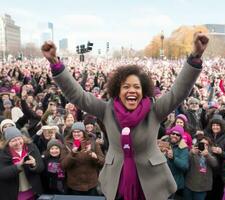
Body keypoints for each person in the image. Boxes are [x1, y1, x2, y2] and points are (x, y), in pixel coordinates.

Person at [42, 32, 209, 200]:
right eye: (126, 87)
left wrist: (195, 57)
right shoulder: (107, 110)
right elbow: (78, 95)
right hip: (118, 181)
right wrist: (55, 63)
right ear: (118, 91)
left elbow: (178, 92)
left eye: (136, 87)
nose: (131, 90)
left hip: (151, 184)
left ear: (143, 91)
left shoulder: (155, 110)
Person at [61, 122, 104, 195]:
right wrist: (73, 153)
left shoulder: (93, 143)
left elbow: (102, 162)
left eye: (79, 131)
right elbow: (63, 165)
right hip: (74, 186)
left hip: (91, 185)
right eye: (74, 132)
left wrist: (94, 156)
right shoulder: (67, 144)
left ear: (83, 132)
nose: (76, 134)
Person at [0, 127, 44, 200]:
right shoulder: (3, 153)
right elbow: (2, 173)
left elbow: (41, 167)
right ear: (7, 142)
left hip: (33, 189)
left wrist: (34, 164)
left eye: (19, 139)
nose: (18, 143)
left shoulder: (31, 147)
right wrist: (18, 166)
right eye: (13, 141)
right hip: (14, 192)